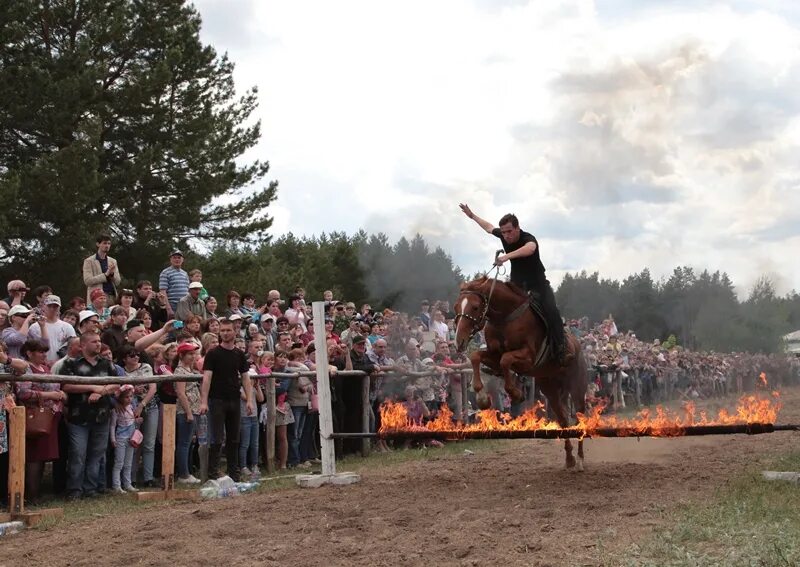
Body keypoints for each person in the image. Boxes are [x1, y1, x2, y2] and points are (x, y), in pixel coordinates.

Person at [459, 204, 570, 364]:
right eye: (503, 232)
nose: (506, 235)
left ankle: (561, 350)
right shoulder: (503, 235)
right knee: (498, 308)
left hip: (538, 285)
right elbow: (489, 228)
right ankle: (497, 350)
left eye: (509, 231)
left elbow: (530, 249)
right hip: (517, 286)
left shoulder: (528, 238)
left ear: (518, 228)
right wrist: (473, 216)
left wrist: (506, 257)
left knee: (552, 312)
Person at [60, 331, 120, 500]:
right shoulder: (71, 364)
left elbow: (116, 384)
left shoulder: (107, 364)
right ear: (83, 345)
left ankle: (91, 489)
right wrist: (92, 388)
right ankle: (74, 490)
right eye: (94, 341)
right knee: (78, 454)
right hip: (78, 417)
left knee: (97, 454)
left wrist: (101, 392)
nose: (98, 344)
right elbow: (66, 386)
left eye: (99, 341)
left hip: (101, 416)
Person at [199, 319, 254, 481]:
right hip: (217, 400)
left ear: (234, 332)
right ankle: (213, 475)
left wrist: (249, 400)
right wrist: (203, 401)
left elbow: (245, 378)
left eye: (228, 330)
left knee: (234, 438)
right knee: (216, 439)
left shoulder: (238, 354)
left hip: (234, 400)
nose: (225, 333)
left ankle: (234, 474)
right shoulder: (213, 353)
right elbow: (206, 378)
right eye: (222, 330)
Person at [16, 339, 66, 502]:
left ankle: (36, 492)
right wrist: (48, 395)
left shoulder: (46, 368)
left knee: (42, 456)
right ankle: (32, 494)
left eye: (45, 351)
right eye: (40, 351)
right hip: (33, 417)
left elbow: (56, 388)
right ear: (29, 353)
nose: (44, 354)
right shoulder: (25, 368)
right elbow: (23, 393)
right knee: (33, 458)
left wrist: (59, 395)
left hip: (49, 417)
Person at [173, 342, 202, 484]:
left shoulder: (190, 370)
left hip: (194, 408)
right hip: (185, 410)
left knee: (189, 442)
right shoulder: (180, 371)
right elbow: (180, 392)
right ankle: (183, 474)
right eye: (190, 354)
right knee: (184, 442)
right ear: (181, 355)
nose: (193, 356)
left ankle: (188, 471)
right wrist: (188, 412)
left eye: (194, 354)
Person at [109, 385, 141, 493]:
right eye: (127, 397)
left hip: (131, 438)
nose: (130, 399)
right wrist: (113, 439)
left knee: (128, 462)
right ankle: (116, 485)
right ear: (120, 398)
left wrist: (138, 420)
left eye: (131, 396)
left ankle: (128, 484)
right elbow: (113, 425)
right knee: (119, 462)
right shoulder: (116, 410)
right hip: (121, 438)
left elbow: (133, 420)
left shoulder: (132, 407)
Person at [28, 295, 76, 362]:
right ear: (43, 307)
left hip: (61, 365)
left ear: (59, 308)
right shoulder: (34, 327)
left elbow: (73, 348)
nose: (52, 309)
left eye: (55, 306)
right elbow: (30, 348)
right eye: (49, 306)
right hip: (40, 365)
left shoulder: (68, 327)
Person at [83, 233, 122, 304]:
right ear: (98, 244)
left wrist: (112, 274)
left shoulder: (113, 261)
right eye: (104, 243)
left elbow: (117, 282)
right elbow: (87, 281)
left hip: (112, 297)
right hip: (97, 298)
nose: (107, 246)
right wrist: (105, 275)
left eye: (109, 243)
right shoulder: (89, 261)